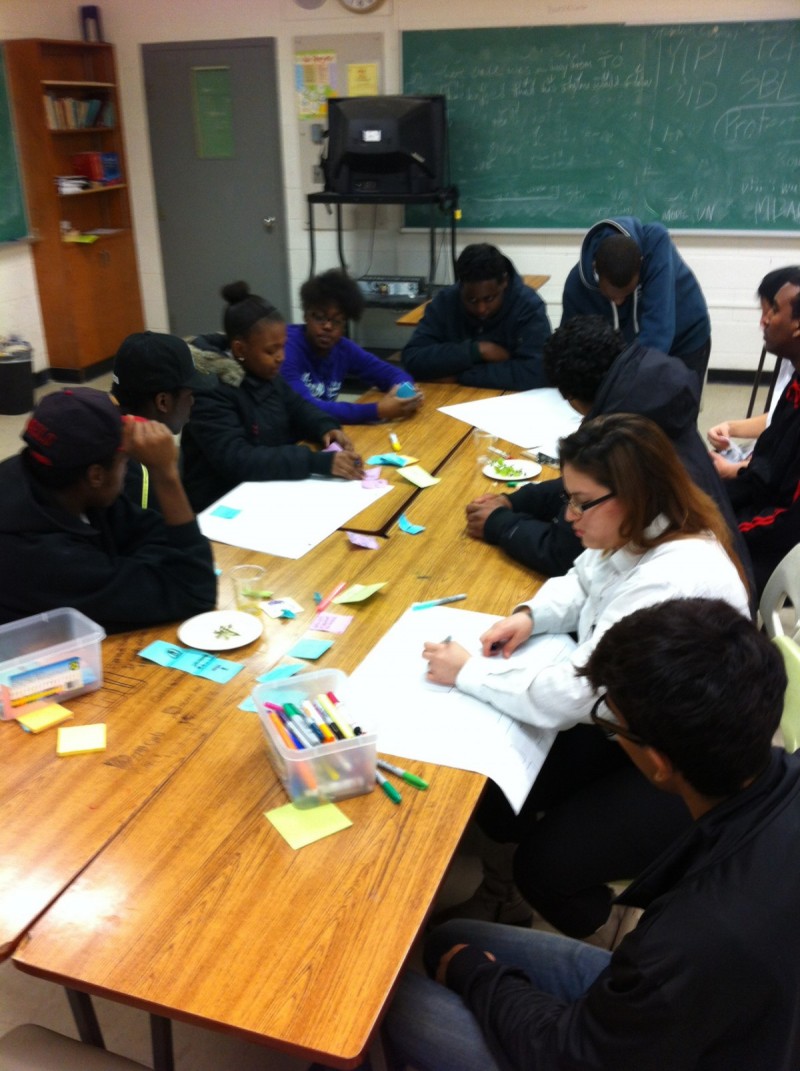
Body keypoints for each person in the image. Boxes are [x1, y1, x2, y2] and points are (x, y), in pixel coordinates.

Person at [377, 598, 799, 1071]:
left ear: (658, 764)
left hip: (642, 1040)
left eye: (611, 722)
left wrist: (479, 976)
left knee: (391, 1006)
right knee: (450, 936)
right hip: (714, 1008)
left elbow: (568, 1055)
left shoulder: (691, 937)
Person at [423, 413, 750, 939]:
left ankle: (613, 929)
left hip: (687, 771)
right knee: (501, 794)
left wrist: (468, 673)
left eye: (581, 502)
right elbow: (581, 579)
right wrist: (530, 615)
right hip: (633, 727)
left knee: (543, 866)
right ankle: (504, 891)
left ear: (633, 494)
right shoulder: (644, 526)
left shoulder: (673, 577)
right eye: (568, 498)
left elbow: (575, 692)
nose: (568, 515)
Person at [466, 315, 746, 579]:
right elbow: (587, 492)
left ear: (570, 396)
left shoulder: (620, 435)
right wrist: (517, 501)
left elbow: (565, 554)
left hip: (688, 594)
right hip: (725, 566)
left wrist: (500, 524)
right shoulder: (650, 394)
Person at [0, 387, 217, 633]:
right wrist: (165, 475)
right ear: (96, 475)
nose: (127, 470)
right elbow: (195, 592)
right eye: (125, 460)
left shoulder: (58, 480)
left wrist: (136, 568)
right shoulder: (39, 556)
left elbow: (153, 533)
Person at [181, 281, 364, 512]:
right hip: (222, 502)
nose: (281, 357)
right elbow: (239, 459)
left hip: (264, 488)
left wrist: (326, 427)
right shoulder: (210, 389)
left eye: (283, 347)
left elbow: (298, 406)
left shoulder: (263, 371)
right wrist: (317, 462)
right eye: (271, 350)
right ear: (239, 349)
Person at [711, 268, 800, 595]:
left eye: (773, 310)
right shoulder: (795, 383)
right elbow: (766, 471)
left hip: (778, 546)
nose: (764, 320)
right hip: (762, 514)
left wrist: (719, 532)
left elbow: (789, 523)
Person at [561, 216, 711, 385]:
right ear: (596, 269)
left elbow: (657, 332)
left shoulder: (655, 247)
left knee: (675, 398)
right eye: (611, 296)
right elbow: (570, 345)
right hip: (638, 350)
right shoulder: (577, 285)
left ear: (641, 266)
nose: (619, 302)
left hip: (685, 338)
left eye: (626, 294)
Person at [400, 243, 552, 389]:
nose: (481, 309)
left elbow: (538, 372)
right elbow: (412, 359)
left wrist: (461, 376)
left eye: (489, 299)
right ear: (461, 286)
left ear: (504, 282)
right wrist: (477, 350)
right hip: (455, 397)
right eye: (471, 300)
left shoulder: (528, 305)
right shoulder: (446, 301)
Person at [282, 268, 423, 424]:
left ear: (345, 324)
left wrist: (405, 391)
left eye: (337, 321)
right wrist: (378, 410)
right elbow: (306, 408)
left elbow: (391, 373)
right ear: (306, 315)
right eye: (320, 317)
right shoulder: (285, 348)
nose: (328, 326)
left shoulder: (343, 348)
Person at [708, 266, 800, 475]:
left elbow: (780, 473)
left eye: (773, 310)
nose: (763, 321)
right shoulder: (792, 366)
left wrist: (733, 470)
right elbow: (776, 421)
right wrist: (731, 427)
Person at [111, 330, 212, 509]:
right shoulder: (144, 472)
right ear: (163, 402)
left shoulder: (103, 428)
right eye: (189, 394)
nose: (192, 402)